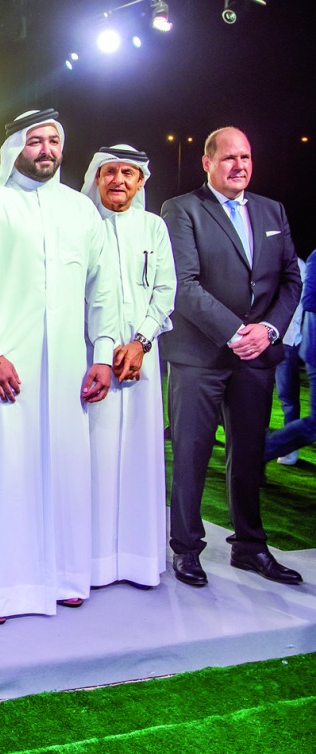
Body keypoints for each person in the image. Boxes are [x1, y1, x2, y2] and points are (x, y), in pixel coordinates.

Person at [0, 109, 119, 624]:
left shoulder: (78, 210)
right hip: (3, 365)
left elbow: (101, 289)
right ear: (16, 146)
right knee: (2, 472)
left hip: (66, 367)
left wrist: (103, 356)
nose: (47, 149)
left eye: (54, 141)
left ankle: (64, 577)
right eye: (36, 140)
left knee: (62, 470)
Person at [161, 126, 303, 587]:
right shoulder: (182, 210)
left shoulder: (271, 210)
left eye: (245, 157)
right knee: (192, 455)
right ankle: (185, 548)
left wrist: (267, 330)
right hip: (200, 358)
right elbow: (185, 284)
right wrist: (234, 332)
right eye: (229, 158)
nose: (239, 165)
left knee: (247, 455)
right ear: (207, 163)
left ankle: (250, 546)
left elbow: (290, 281)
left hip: (255, 357)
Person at [80, 145, 176, 589]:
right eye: (110, 172)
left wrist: (140, 342)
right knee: (92, 458)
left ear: (141, 183)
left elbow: (165, 290)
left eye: (129, 173)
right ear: (96, 179)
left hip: (142, 358)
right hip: (89, 357)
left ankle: (137, 561)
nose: (119, 180)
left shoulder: (153, 227)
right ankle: (92, 562)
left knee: (139, 455)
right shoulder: (81, 225)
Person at [264, 251, 315, 463]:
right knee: (270, 397)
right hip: (270, 338)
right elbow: (309, 300)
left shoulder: (300, 263)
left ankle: (275, 450)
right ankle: (259, 451)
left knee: (288, 397)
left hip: (289, 341)